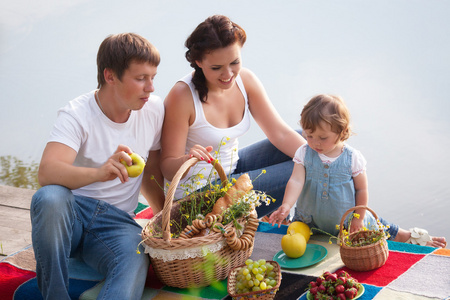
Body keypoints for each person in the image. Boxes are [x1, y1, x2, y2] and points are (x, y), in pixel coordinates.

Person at [30, 33, 165, 299]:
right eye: (140, 79)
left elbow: (151, 173)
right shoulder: (76, 114)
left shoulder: (154, 109)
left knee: (136, 256)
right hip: (73, 214)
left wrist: (166, 220)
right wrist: (100, 173)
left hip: (117, 223)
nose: (150, 87)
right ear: (110, 76)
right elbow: (47, 172)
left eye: (153, 78)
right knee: (49, 198)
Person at [160, 15, 306, 217]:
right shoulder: (182, 96)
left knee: (309, 142)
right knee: (301, 170)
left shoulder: (245, 80)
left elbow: (280, 133)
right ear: (198, 62)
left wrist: (326, 158)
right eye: (216, 68)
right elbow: (167, 167)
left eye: (234, 62)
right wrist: (187, 158)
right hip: (199, 196)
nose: (228, 74)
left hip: (233, 169)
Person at [269, 94, 447, 248]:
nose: (315, 142)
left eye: (323, 138)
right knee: (296, 240)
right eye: (309, 136)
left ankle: (404, 235)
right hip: (309, 221)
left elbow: (361, 190)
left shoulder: (352, 158)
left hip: (346, 222)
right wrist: (286, 205)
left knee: (376, 224)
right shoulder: (304, 152)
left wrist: (358, 219)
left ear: (342, 131)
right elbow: (296, 181)